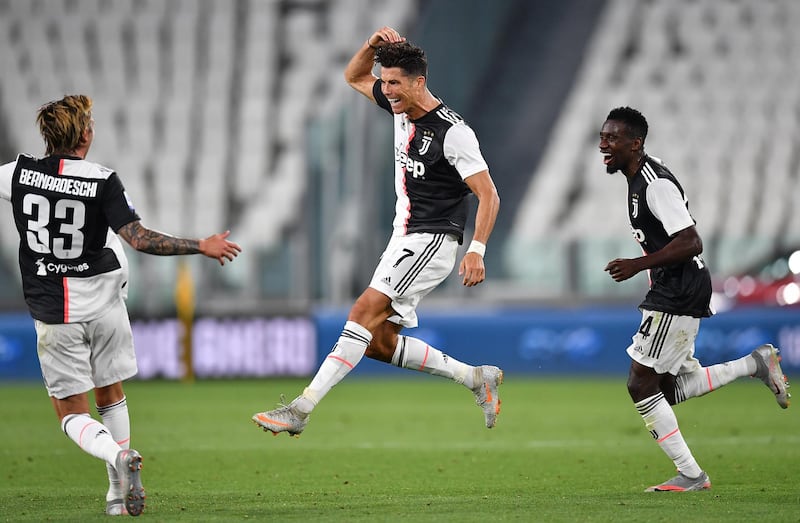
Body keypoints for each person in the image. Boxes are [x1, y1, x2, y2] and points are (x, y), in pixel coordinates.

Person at [253, 26, 502, 436]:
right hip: (404, 237)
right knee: (379, 343)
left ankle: (300, 409)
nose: (386, 90)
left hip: (432, 239)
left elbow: (488, 194)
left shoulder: (452, 133)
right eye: (384, 82)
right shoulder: (399, 107)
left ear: (419, 82)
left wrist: (477, 249)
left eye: (395, 83)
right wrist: (371, 46)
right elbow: (353, 77)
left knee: (361, 313)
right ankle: (476, 378)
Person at [0, 94, 242, 516]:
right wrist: (199, 245)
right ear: (86, 133)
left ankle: (116, 460)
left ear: (47, 134)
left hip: (55, 311)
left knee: (71, 413)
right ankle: (116, 495)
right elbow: (139, 238)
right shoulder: (101, 180)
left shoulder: (17, 174)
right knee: (110, 393)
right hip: (106, 303)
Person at [599, 106, 791, 492]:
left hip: (679, 288)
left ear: (635, 144)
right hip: (674, 286)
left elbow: (691, 241)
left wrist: (639, 264)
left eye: (613, 138)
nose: (604, 144)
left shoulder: (654, 183)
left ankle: (691, 474)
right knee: (663, 390)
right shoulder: (638, 176)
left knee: (640, 385)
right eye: (603, 136)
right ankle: (754, 364)